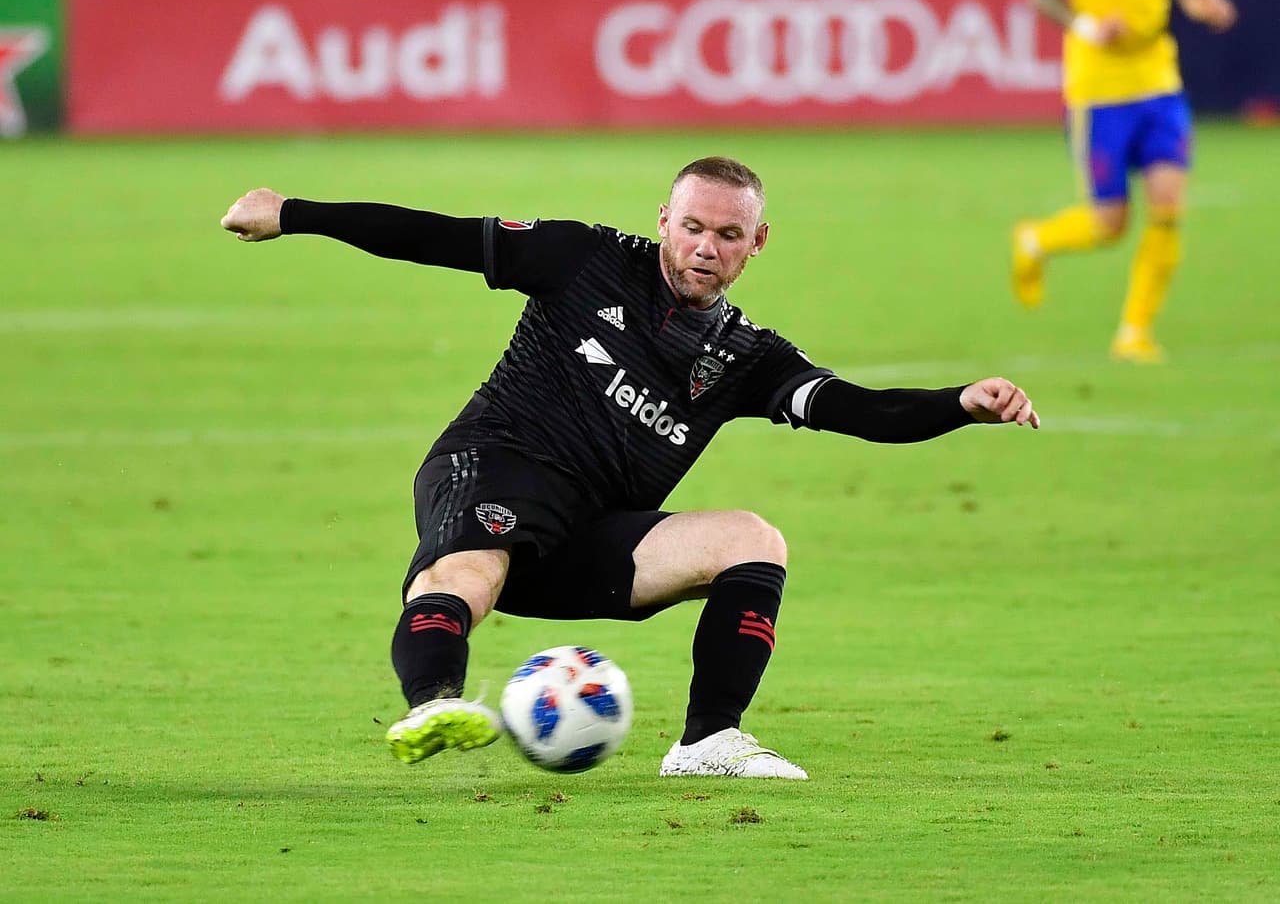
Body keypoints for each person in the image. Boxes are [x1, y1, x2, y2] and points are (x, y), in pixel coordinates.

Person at [221, 157, 1039, 779]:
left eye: (727, 235)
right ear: (664, 220)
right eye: (692, 227)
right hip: (495, 466)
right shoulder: (583, 259)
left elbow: (861, 410)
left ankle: (707, 738)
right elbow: (433, 234)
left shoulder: (746, 356)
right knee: (467, 568)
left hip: (589, 536)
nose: (704, 248)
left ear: (757, 245)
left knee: (754, 538)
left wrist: (958, 401)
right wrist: (292, 213)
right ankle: (434, 705)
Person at [1012, 0, 1237, 363]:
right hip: (1099, 92)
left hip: (1158, 84)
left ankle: (1134, 332)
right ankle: (1034, 240)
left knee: (1168, 209)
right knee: (1109, 225)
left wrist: (1213, 4)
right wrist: (1088, 27)